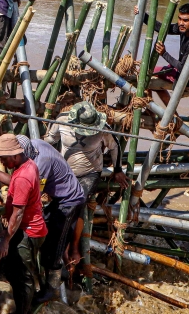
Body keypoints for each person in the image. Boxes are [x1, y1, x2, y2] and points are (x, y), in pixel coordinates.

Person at [45, 101, 128, 265]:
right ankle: (62, 247)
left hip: (89, 173)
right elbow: (48, 140)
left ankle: (71, 247)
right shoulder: (61, 120)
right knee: (59, 205)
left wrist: (118, 169)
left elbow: (114, 146)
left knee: (77, 202)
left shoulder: (102, 127)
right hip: (64, 171)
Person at [0, 134, 46, 314]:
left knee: (23, 278)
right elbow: (11, 181)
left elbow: (17, 213)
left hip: (28, 231)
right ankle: (24, 309)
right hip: (23, 228)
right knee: (12, 269)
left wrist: (5, 239)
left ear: (15, 156)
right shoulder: (25, 167)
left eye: (3, 159)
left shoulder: (25, 175)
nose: (1, 161)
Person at [14, 135, 85, 303]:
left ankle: (51, 289)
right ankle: (43, 275)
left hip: (69, 200)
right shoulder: (35, 144)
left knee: (56, 245)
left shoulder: (40, 164)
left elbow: (33, 195)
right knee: (46, 236)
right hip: (59, 197)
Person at [134, 2, 189, 104]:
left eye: (186, 20)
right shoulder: (185, 28)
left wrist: (164, 53)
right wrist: (143, 16)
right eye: (179, 18)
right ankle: (170, 115)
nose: (181, 23)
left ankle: (151, 110)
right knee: (149, 76)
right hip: (182, 70)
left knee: (143, 73)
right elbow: (161, 28)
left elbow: (183, 67)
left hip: (186, 78)